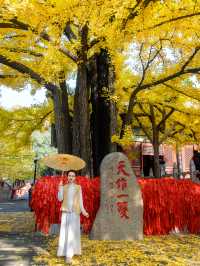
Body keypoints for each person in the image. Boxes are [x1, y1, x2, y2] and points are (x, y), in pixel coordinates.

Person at [57, 170, 89, 264]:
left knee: (72, 233)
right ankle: (64, 252)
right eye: (69, 175)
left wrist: (84, 211)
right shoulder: (64, 187)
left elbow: (81, 200)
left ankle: (69, 255)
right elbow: (60, 199)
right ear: (67, 177)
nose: (71, 177)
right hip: (66, 212)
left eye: (73, 176)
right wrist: (60, 188)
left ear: (75, 177)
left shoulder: (78, 187)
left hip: (75, 212)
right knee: (65, 233)